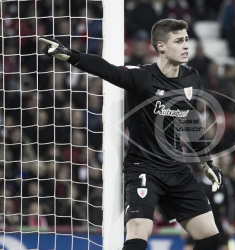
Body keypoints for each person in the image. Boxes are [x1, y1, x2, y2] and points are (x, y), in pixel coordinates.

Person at [39, 19, 224, 250]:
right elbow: (107, 69)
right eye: (179, 41)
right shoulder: (143, 77)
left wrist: (205, 160)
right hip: (144, 167)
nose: (186, 45)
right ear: (161, 46)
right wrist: (70, 55)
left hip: (176, 168)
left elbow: (190, 118)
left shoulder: (192, 77)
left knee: (210, 236)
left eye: (186, 39)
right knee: (138, 232)